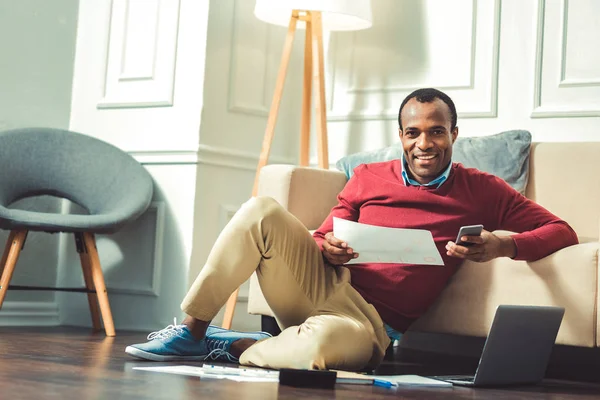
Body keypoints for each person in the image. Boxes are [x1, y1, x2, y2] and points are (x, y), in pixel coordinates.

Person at [126, 88, 578, 371]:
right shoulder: (366, 176)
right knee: (261, 209)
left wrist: (502, 244)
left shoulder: (483, 189)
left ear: (454, 135)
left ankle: (242, 344)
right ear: (400, 135)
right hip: (323, 282)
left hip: (369, 324)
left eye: (437, 132)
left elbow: (561, 231)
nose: (425, 144)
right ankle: (193, 329)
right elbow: (322, 234)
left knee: (314, 353)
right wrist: (329, 246)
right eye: (414, 132)